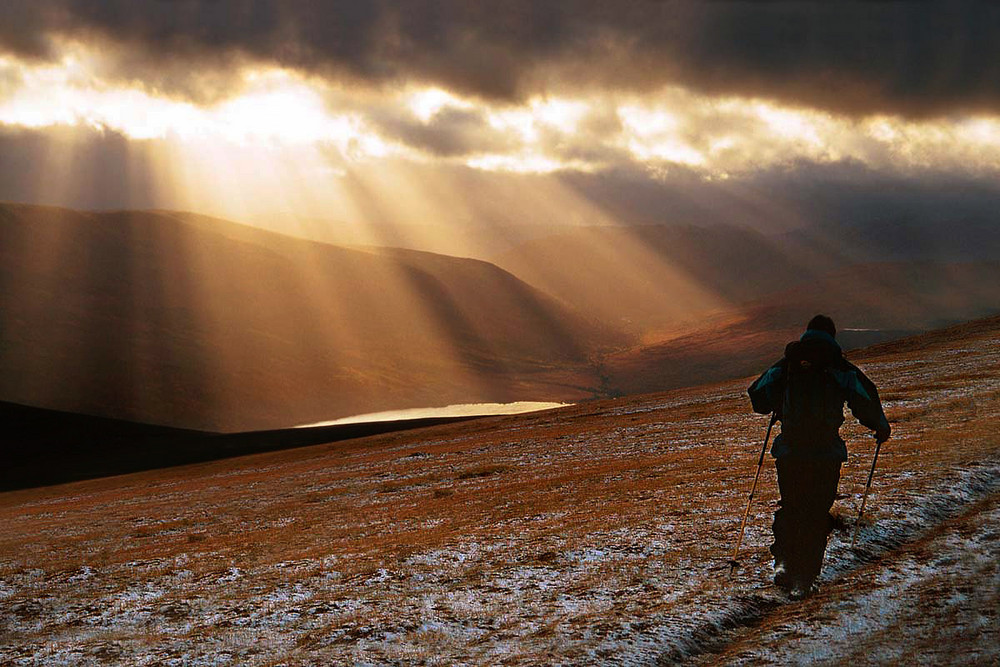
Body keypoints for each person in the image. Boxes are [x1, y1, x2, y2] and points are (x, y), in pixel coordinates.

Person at [747, 314, 890, 599]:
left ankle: (784, 563)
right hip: (826, 453)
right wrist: (880, 426)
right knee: (815, 513)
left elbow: (758, 396)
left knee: (791, 506)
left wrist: (779, 402)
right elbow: (865, 397)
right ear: (832, 336)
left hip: (791, 451)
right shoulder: (838, 365)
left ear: (807, 333)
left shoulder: (789, 363)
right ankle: (808, 576)